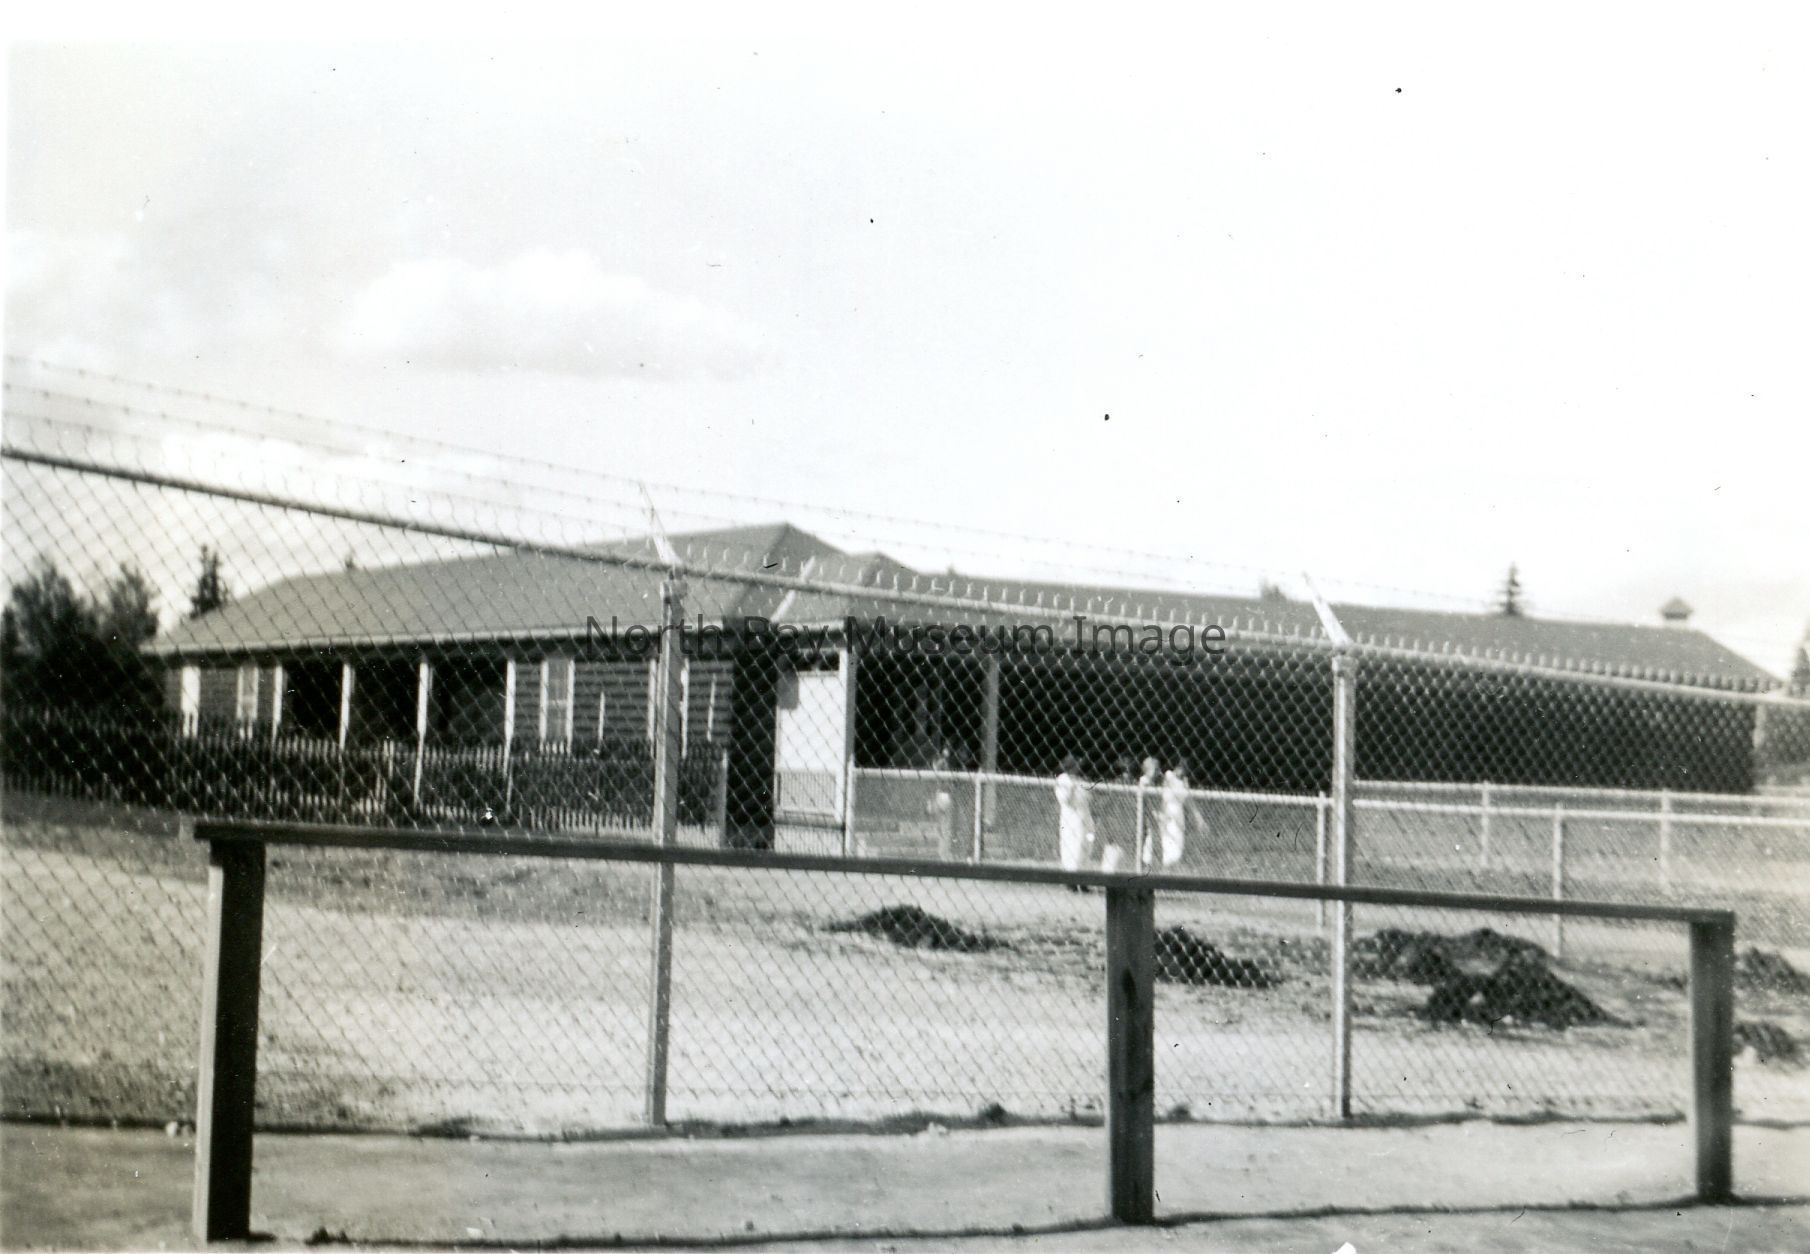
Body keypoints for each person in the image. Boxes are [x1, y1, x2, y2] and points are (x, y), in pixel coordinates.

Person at [1053, 755, 1095, 884]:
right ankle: (1071, 879)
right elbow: (1064, 799)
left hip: (1085, 816)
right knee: (1072, 847)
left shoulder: (1081, 779)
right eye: (1077, 763)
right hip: (1071, 818)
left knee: (1085, 846)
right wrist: (1072, 787)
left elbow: (1090, 798)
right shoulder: (1063, 779)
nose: (1079, 766)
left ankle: (1083, 879)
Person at [1159, 756, 1202, 869]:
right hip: (1169, 811)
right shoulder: (1169, 775)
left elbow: (1189, 800)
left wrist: (1197, 816)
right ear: (1177, 767)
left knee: (1178, 846)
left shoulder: (1184, 781)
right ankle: (1166, 869)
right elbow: (1164, 798)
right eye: (1181, 768)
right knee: (1168, 844)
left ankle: (1175, 869)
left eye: (1185, 769)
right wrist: (1162, 815)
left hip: (1179, 814)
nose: (1183, 771)